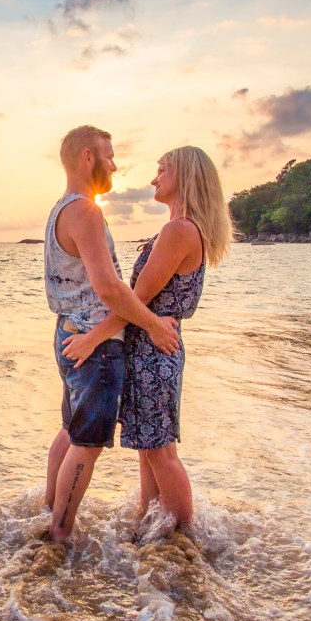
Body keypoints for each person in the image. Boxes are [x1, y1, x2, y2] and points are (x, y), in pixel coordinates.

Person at [61, 145, 232, 531]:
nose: (155, 178)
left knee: (160, 452)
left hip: (155, 350)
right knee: (149, 449)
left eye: (162, 170)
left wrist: (92, 339)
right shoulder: (182, 229)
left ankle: (184, 538)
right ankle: (150, 524)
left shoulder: (178, 231)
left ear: (185, 176)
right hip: (152, 348)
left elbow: (137, 299)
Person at [44, 125, 181, 544]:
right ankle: (59, 535)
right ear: (88, 157)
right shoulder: (86, 211)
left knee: (71, 430)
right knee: (87, 443)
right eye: (109, 154)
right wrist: (155, 324)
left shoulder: (61, 209)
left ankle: (49, 513)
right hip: (94, 343)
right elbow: (108, 287)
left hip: (68, 331)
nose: (115, 164)